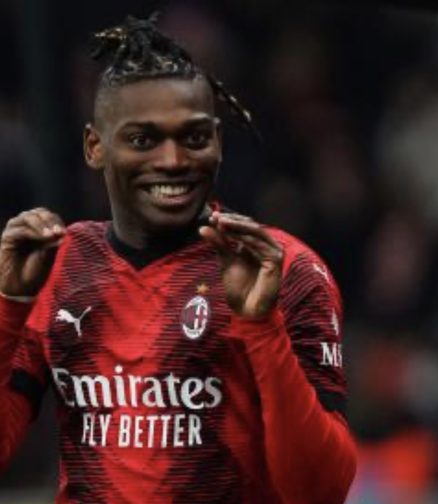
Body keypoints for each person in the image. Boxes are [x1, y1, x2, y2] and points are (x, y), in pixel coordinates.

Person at [0, 13, 356, 504]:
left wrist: (261, 328)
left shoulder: (284, 270)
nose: (172, 161)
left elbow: (322, 493)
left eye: (193, 138)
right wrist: (9, 306)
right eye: (143, 140)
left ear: (218, 142)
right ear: (95, 146)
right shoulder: (60, 266)